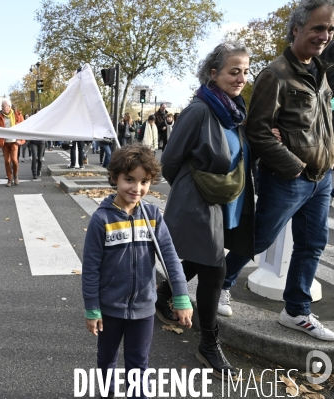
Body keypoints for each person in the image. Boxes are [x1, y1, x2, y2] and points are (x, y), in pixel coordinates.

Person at [218, 0, 334, 342]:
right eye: (318, 28)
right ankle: (220, 286)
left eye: (329, 29)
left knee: (312, 243)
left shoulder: (322, 72)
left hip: (322, 178)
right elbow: (258, 130)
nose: (324, 35)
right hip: (288, 177)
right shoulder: (275, 74)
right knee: (259, 238)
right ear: (297, 29)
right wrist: (294, 166)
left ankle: (296, 311)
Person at [160, 42, 254, 377]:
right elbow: (170, 160)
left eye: (245, 70)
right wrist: (189, 188)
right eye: (234, 71)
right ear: (213, 73)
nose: (241, 77)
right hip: (198, 202)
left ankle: (161, 297)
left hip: (224, 200)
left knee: (197, 262)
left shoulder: (234, 110)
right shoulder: (200, 109)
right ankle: (209, 344)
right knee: (215, 269)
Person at [82, 145, 193, 398]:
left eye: (144, 182)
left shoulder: (153, 216)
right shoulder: (102, 220)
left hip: (144, 308)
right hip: (110, 308)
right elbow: (90, 269)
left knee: (138, 365)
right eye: (129, 180)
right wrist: (92, 307)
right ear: (115, 178)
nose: (137, 188)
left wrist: (181, 296)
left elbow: (171, 259)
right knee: (107, 359)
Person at [0, 99, 25, 187]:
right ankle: (9, 178)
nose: (2, 108)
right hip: (5, 143)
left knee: (14, 160)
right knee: (7, 161)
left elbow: (23, 128)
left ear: (9, 107)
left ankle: (15, 176)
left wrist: (21, 140)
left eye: (4, 106)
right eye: (2, 106)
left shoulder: (17, 115)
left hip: (14, 142)